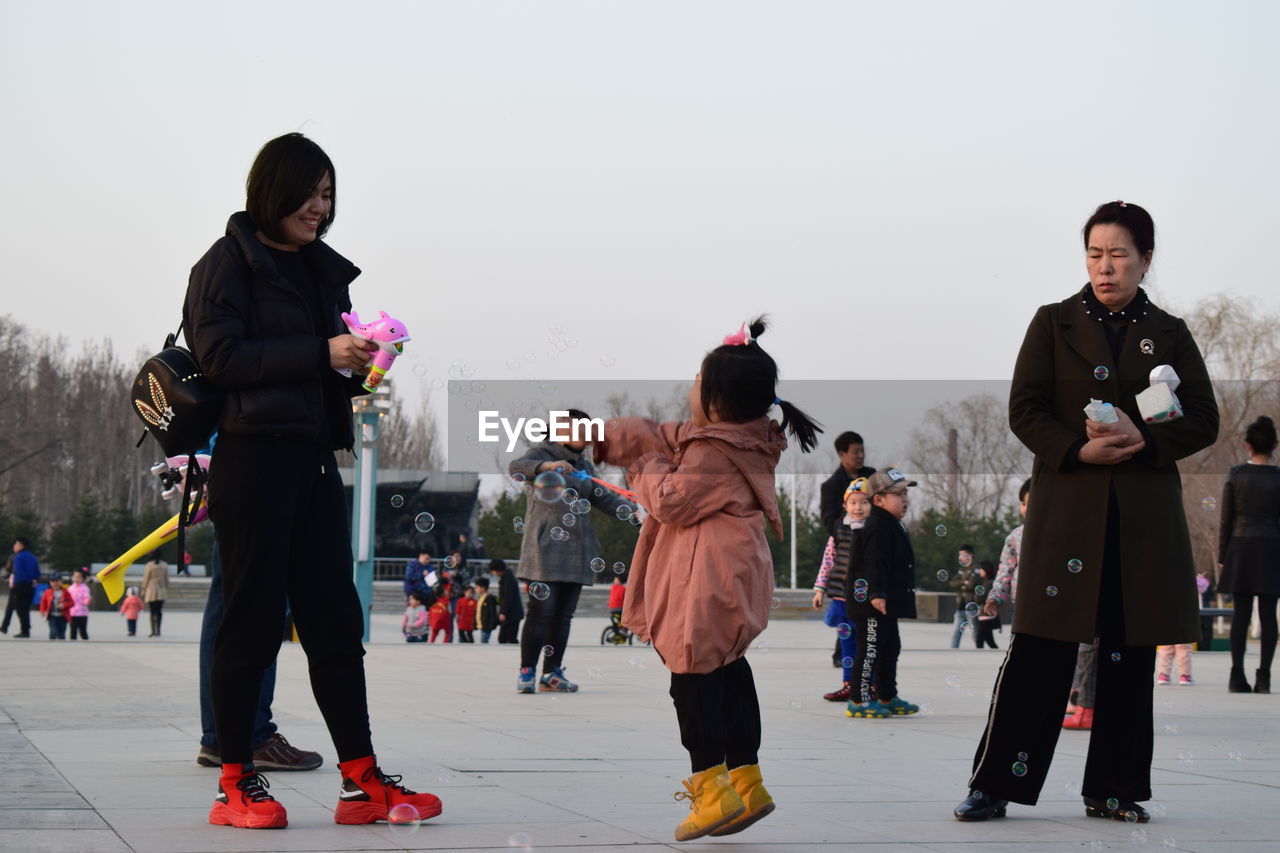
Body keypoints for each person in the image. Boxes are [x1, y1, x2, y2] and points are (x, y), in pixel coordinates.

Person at [185, 132, 439, 829]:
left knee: (334, 620)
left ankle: (361, 779)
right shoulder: (226, 265)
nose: (320, 209)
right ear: (275, 188)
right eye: (310, 193)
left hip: (312, 460)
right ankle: (234, 780)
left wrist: (360, 361)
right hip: (250, 460)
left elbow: (320, 366)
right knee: (252, 618)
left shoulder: (323, 271)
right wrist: (319, 349)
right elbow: (220, 358)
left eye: (329, 196)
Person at [954, 200, 1219, 825]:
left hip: (1140, 520)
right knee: (1039, 652)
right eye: (1095, 253)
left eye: (1119, 254)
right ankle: (995, 784)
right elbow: (1025, 410)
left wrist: (1146, 439)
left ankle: (1115, 788)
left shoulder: (1172, 333)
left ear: (1145, 260)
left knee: (1127, 656)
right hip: (1069, 511)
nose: (1106, 266)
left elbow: (1204, 418)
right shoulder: (1053, 323)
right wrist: (1077, 448)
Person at [594, 316, 821, 841]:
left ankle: (712, 792)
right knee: (728, 672)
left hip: (705, 577)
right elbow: (668, 434)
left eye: (697, 384)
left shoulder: (711, 451)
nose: (691, 393)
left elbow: (671, 501)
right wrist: (605, 435)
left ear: (717, 400)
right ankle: (748, 781)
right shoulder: (743, 439)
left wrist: (643, 463)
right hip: (733, 572)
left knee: (692, 678)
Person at [508, 408, 633, 694]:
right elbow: (516, 466)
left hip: (578, 548)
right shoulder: (540, 454)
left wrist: (635, 513)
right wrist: (546, 469)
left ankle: (552, 672)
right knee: (541, 612)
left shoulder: (584, 466)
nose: (587, 437)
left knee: (564, 615)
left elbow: (603, 497)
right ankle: (527, 671)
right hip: (545, 548)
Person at [198, 537, 323, 773]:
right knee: (263, 593)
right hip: (265, 503)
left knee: (227, 595)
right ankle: (253, 737)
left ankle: (220, 738)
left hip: (232, 503)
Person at [845, 468, 921, 718]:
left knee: (890, 648)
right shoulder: (877, 525)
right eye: (898, 494)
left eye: (906, 493)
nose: (905, 499)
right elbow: (874, 562)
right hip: (870, 603)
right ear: (878, 500)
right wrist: (876, 593)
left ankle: (887, 695)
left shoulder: (891, 524)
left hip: (883, 603)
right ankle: (859, 699)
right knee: (869, 650)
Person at [1217, 415, 1280, 694]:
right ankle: (1264, 677)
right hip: (1271, 547)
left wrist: (1223, 554)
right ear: (1274, 445)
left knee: (1240, 614)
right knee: (1268, 615)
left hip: (1240, 546)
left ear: (1247, 445)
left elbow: (1226, 520)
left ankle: (1236, 674)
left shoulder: (1236, 474)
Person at [811, 477, 871, 702]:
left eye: (864, 502)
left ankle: (868, 684)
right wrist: (819, 590)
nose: (858, 507)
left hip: (864, 600)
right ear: (845, 505)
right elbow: (828, 561)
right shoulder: (838, 529)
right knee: (847, 643)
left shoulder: (873, 530)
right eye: (853, 502)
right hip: (841, 597)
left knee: (866, 643)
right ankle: (848, 684)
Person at [985, 479, 1031, 618]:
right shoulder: (1016, 536)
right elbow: (1005, 571)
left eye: (1032, 503)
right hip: (1021, 604)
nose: (1026, 508)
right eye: (1023, 503)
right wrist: (995, 597)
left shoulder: (1060, 536)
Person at [819, 432, 876, 537]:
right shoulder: (831, 486)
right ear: (842, 454)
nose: (861, 455)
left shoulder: (872, 475)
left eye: (862, 451)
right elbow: (830, 522)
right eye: (856, 452)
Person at [2, 538, 39, 638]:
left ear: (21, 545)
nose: (14, 546)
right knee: (25, 608)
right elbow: (37, 572)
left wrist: (15, 584)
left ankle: (23, 630)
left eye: (16, 544)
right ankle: (25, 629)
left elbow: (18, 572)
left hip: (20, 585)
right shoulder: (32, 557)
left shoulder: (18, 557)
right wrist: (33, 580)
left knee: (18, 608)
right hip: (31, 585)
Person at [949, 546, 978, 648]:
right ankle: (952, 652)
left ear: (970, 555)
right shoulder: (961, 569)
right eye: (959, 555)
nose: (961, 557)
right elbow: (952, 583)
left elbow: (972, 584)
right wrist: (963, 582)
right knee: (955, 633)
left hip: (971, 606)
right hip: (960, 606)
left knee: (975, 634)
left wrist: (963, 584)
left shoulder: (976, 569)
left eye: (963, 555)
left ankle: (979, 651)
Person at [491, 560, 523, 644]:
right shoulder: (507, 577)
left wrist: (503, 612)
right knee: (505, 638)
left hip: (512, 614)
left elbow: (507, 597)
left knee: (508, 638)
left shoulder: (508, 579)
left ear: (496, 570)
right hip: (512, 613)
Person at [973, 561, 1000, 650]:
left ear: (986, 570)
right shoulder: (989, 582)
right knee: (989, 640)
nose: (979, 571)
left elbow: (981, 598)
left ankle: (978, 657)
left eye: (981, 569)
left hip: (987, 615)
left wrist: (976, 596)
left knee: (980, 640)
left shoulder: (989, 583)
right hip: (986, 615)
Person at [142, 553, 169, 638]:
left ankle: (153, 631)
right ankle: (158, 630)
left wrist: (143, 589)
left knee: (152, 611)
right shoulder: (164, 565)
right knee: (159, 611)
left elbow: (146, 578)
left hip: (151, 590)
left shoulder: (149, 565)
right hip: (161, 590)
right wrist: (166, 588)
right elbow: (166, 579)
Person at [39, 574, 72, 641]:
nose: (55, 583)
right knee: (53, 632)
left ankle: (61, 646)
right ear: (50, 582)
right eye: (53, 581)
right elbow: (43, 602)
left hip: (63, 616)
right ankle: (51, 644)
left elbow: (71, 602)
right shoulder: (47, 592)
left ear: (61, 582)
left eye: (57, 581)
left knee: (61, 633)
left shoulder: (65, 592)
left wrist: (64, 605)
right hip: (52, 616)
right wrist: (42, 611)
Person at [67, 570, 92, 641]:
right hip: (72, 613)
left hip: (82, 613)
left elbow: (86, 597)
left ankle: (86, 643)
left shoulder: (84, 588)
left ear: (82, 578)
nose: (76, 579)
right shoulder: (70, 588)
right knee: (73, 631)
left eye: (79, 577)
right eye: (75, 577)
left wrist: (87, 601)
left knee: (83, 631)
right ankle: (72, 645)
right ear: (72, 578)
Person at [475, 577, 498, 643]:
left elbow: (492, 612)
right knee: (483, 642)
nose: (476, 589)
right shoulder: (480, 598)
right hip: (482, 625)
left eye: (477, 587)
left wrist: (492, 624)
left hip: (487, 625)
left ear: (483, 588)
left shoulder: (489, 598)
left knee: (483, 642)